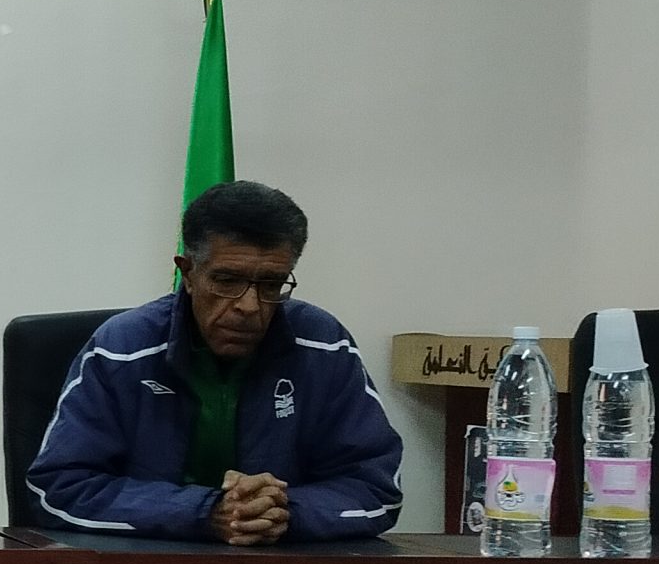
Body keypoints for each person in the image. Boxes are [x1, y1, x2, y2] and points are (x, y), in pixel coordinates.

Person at [26, 179, 401, 544]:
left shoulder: (324, 346)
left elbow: (375, 487)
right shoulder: (121, 349)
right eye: (226, 280)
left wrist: (283, 512)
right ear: (188, 273)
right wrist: (205, 512)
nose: (249, 306)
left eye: (271, 285)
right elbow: (60, 489)